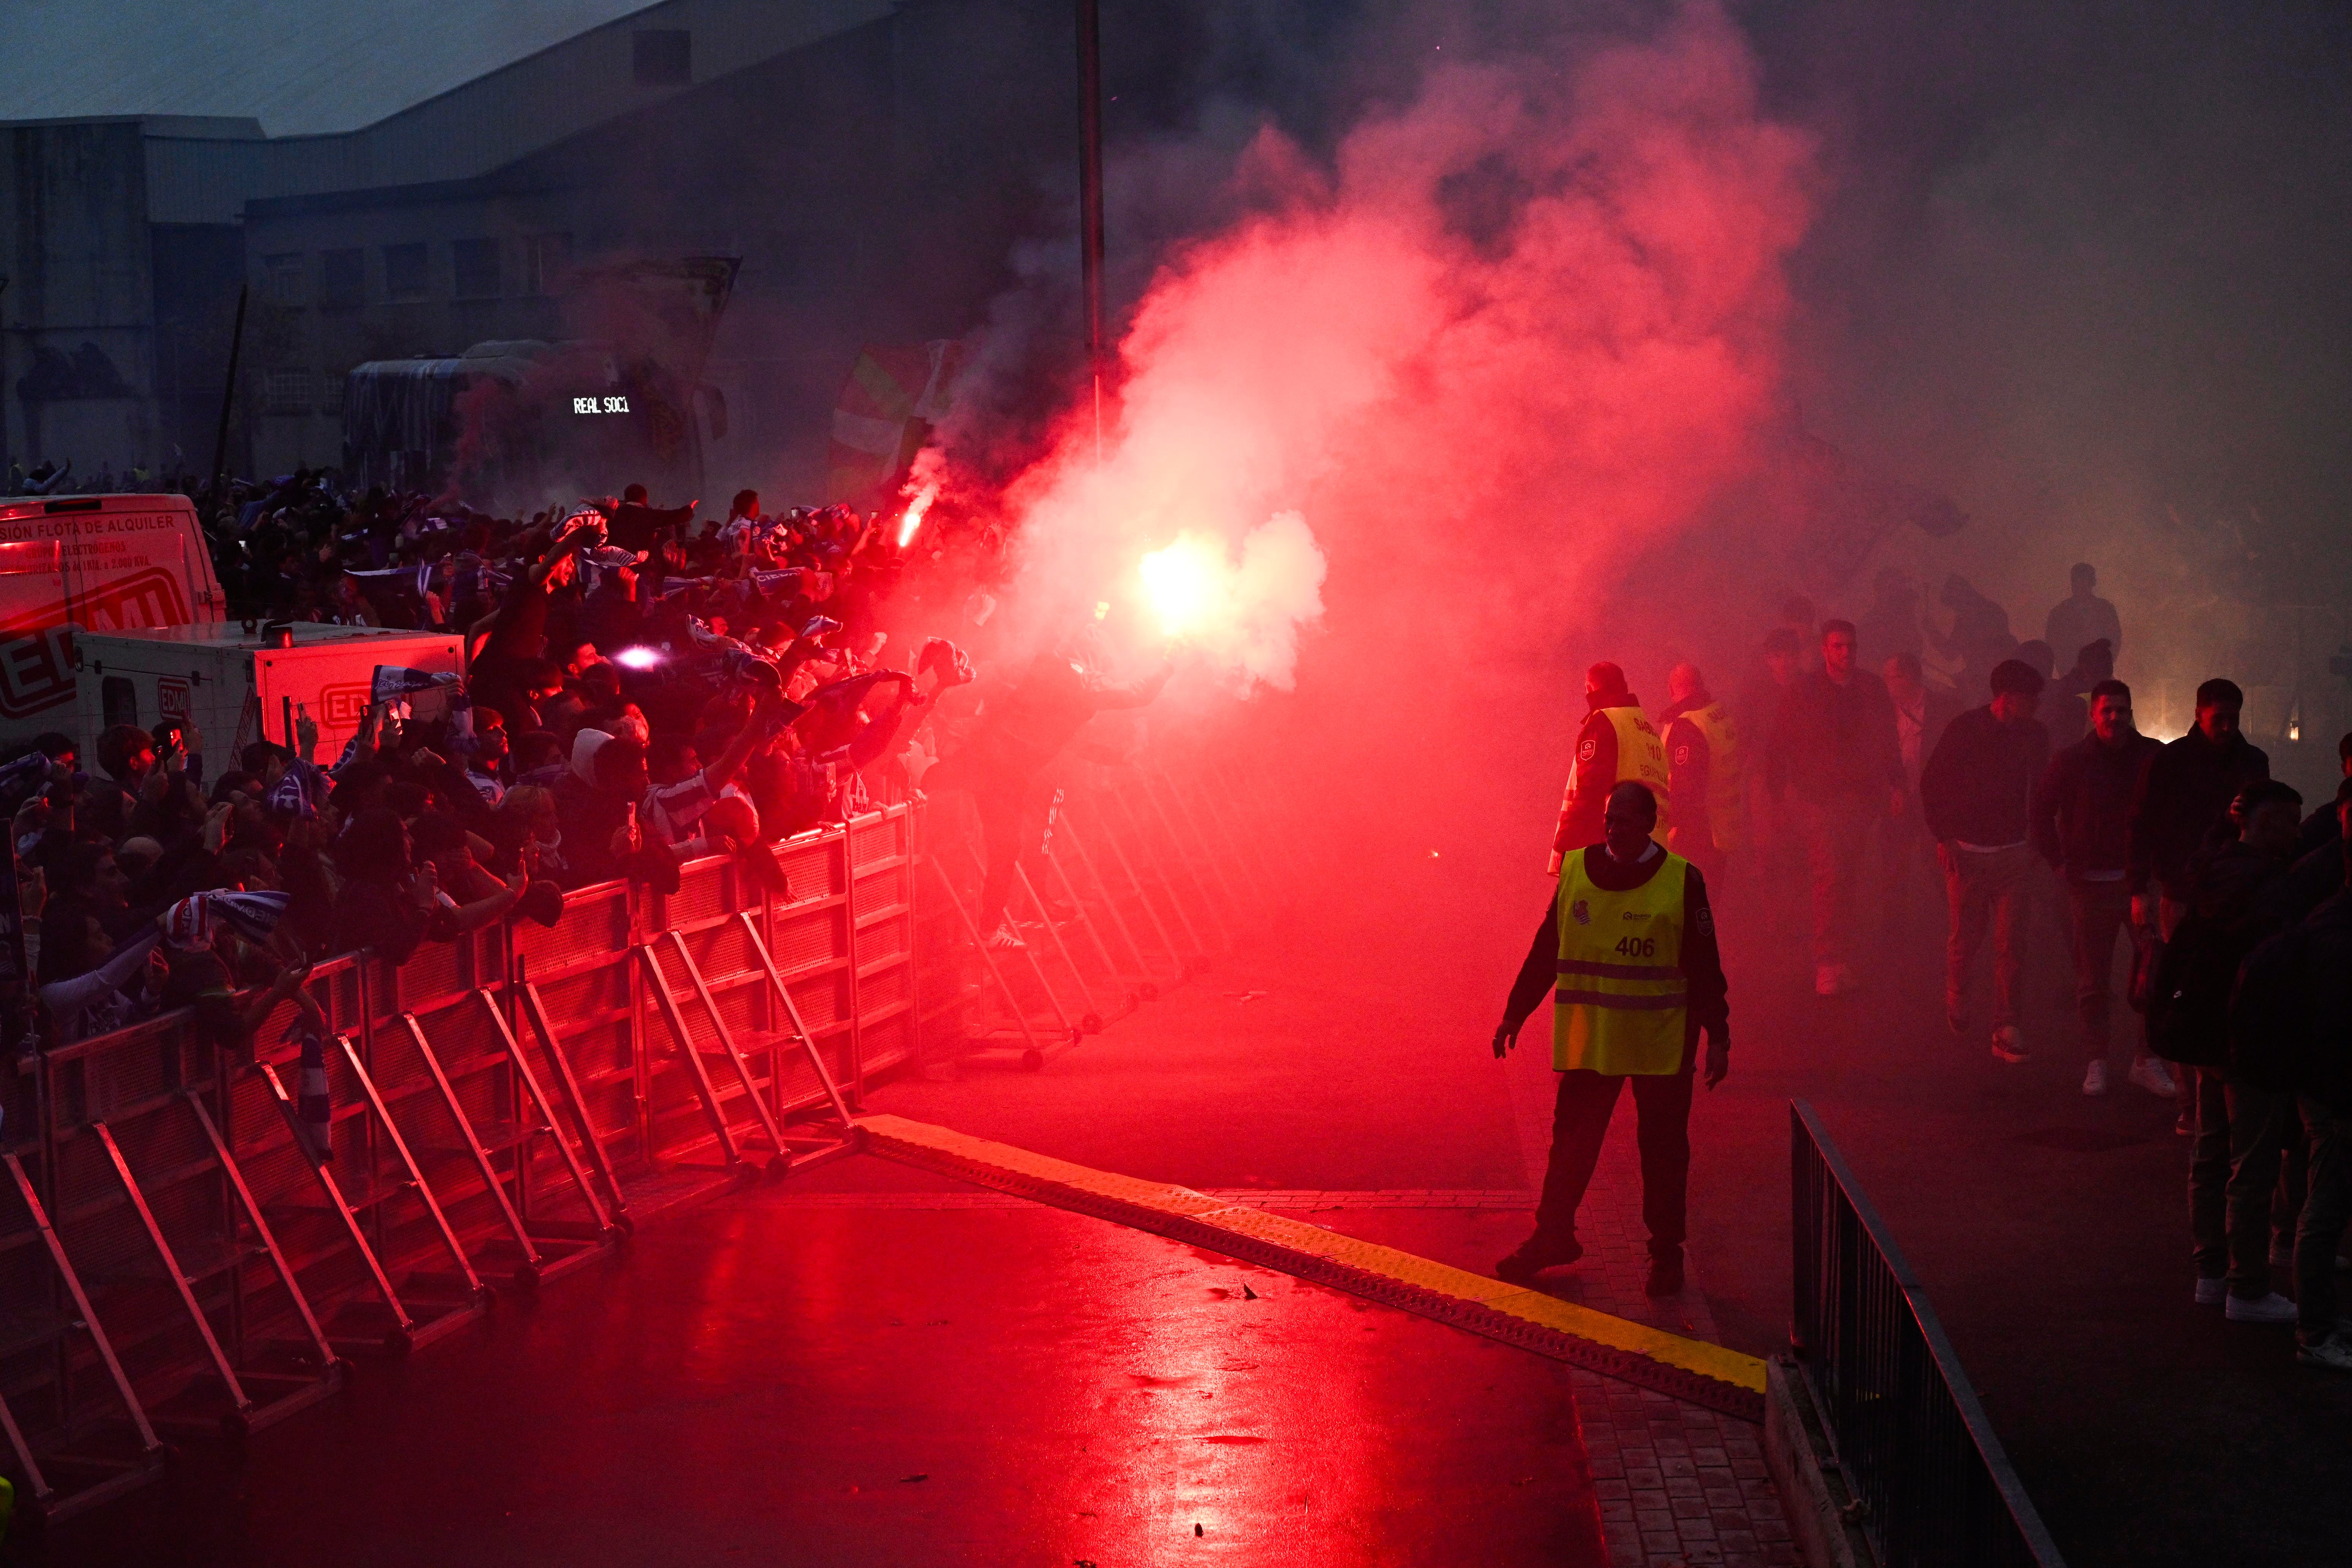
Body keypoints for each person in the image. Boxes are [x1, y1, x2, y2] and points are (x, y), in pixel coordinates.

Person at [1491, 782, 1729, 1298]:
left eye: (1623, 820)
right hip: (1593, 1043)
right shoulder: (1577, 872)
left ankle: (1666, 1256)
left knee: (1663, 1152)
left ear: (1648, 823)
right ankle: (1553, 1236)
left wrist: (1719, 1035)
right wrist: (1516, 1012)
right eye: (1608, 820)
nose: (1612, 829)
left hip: (1659, 1046)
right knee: (1571, 1145)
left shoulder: (1682, 882)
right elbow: (1547, 947)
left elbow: (1705, 966)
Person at [2163, 781, 2306, 1323]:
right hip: (2252, 1043)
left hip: (2206, 1034)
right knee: (2254, 1162)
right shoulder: (2272, 887)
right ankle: (2248, 1287)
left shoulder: (2213, 870)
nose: (2297, 832)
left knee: (2210, 1151)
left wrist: (2224, 826)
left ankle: (2211, 1273)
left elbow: (2196, 862)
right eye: (2290, 822)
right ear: (2268, 825)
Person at [926, 640, 1171, 947]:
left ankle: (989, 930)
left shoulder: (1044, 669)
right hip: (1004, 777)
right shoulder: (1083, 692)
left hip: (984, 760)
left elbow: (1067, 738)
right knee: (1004, 851)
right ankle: (988, 931)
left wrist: (1113, 758)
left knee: (933, 789)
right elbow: (1139, 693)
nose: (1104, 678)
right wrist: (1168, 664)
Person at [2031, 678, 2171, 1096]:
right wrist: (2058, 863)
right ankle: (2098, 1059)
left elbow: (2171, 811)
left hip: (2141, 884)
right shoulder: (2071, 760)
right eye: (2107, 710)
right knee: (2093, 978)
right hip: (2091, 885)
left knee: (2153, 975)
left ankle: (2146, 1059)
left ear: (2131, 712)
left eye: (2121, 710)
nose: (2115, 717)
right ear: (2094, 714)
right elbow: (2040, 813)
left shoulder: (2152, 757)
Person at [1921, 658, 2050, 1061]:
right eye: (2030, 699)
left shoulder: (2035, 735)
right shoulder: (1965, 729)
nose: (2036, 707)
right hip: (1970, 854)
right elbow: (1932, 782)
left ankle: (2005, 1025)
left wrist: (2037, 842)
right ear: (2009, 699)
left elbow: (2043, 788)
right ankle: (1958, 993)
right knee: (1967, 938)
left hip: (2013, 853)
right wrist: (1944, 837)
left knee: (2012, 943)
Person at [1767, 621, 1905, 996]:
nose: (1846, 652)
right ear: (1826, 650)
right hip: (1819, 797)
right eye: (1838, 646)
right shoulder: (1805, 690)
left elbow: (1888, 738)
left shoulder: (1871, 688)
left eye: (1851, 646)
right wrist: (1777, 793)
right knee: (1830, 874)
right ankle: (1828, 962)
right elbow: (1781, 741)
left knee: (1847, 875)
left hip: (1861, 798)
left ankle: (1838, 957)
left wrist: (1896, 783)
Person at [2129, 677, 2271, 941]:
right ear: (2198, 715)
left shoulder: (2252, 762)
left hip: (2228, 889)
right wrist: (2138, 889)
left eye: (2233, 719)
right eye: (2219, 719)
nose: (2228, 727)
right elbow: (2142, 823)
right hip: (2189, 889)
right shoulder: (2168, 761)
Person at [1548, 662, 1672, 876]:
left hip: (1610, 853)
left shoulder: (1603, 722)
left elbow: (1591, 791)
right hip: (1652, 852)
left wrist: (1564, 844)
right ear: (1624, 687)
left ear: (1589, 689)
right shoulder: (1649, 730)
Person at [1658, 662, 1742, 887]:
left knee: (1689, 909)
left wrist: (1671, 829)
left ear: (1671, 689)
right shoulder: (1717, 713)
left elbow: (1686, 791)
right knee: (1709, 908)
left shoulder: (1688, 727)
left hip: (1698, 837)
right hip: (1725, 830)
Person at [2045, 562, 2123, 677]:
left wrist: (2104, 664)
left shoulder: (2105, 609)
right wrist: (2066, 669)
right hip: (2071, 675)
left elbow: (2115, 639)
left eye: (2084, 580)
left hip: (2100, 674)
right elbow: (2053, 644)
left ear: (2093, 582)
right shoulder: (2059, 613)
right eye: (2077, 580)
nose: (2080, 584)